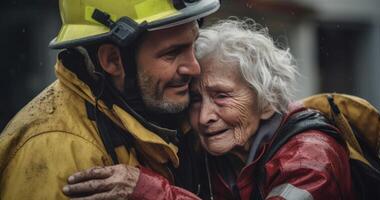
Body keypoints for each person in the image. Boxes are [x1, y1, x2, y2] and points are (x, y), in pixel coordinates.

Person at [63, 18, 355, 200]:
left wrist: (151, 192)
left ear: (266, 101)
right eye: (196, 100)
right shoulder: (210, 154)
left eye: (222, 96)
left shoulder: (313, 158)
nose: (204, 117)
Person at [0, 0, 219, 199]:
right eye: (172, 53)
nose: (194, 67)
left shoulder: (169, 112)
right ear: (112, 60)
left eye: (193, 45)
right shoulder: (57, 153)